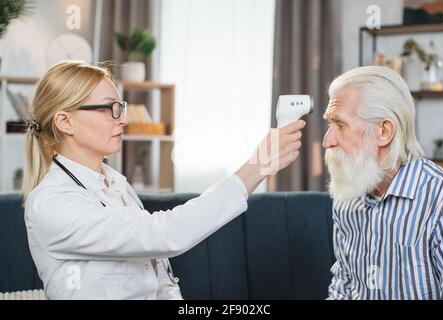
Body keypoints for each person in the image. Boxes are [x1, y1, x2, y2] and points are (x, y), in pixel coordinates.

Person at [22, 61, 305, 300]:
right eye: (109, 108)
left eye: (120, 106)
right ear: (65, 121)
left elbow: (157, 276)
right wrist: (257, 168)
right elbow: (163, 234)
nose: (122, 119)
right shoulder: (51, 204)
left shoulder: (115, 183)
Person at [323, 65, 443, 300]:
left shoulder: (442, 200)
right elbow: (344, 283)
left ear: (384, 131)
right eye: (329, 124)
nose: (327, 140)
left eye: (339, 125)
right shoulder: (346, 197)